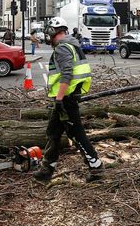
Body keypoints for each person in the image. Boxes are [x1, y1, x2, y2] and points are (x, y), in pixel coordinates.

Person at [33, 17, 103, 183]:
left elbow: (67, 74)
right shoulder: (73, 45)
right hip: (67, 96)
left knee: (77, 133)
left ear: (52, 32)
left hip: (65, 98)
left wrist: (59, 99)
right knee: (53, 132)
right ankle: (46, 170)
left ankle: (97, 168)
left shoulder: (62, 48)